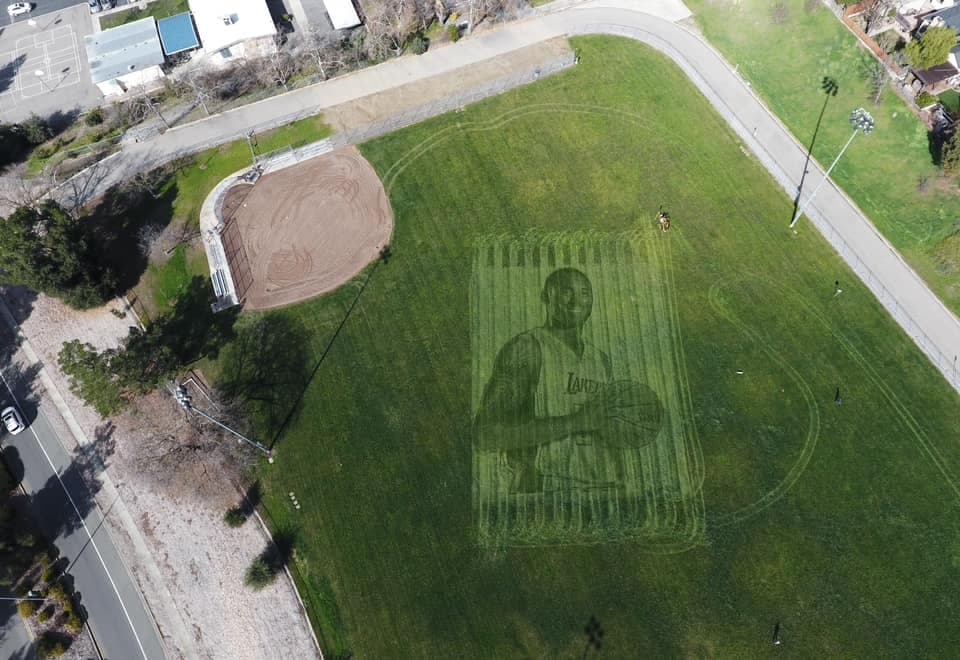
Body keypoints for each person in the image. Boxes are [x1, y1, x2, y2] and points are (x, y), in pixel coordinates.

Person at [474, 267, 663, 495]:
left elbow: (604, 431)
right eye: (566, 291)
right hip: (544, 494)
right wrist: (577, 421)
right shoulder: (526, 349)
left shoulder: (600, 360)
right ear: (545, 296)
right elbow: (485, 435)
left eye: (584, 293)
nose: (576, 301)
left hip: (602, 491)